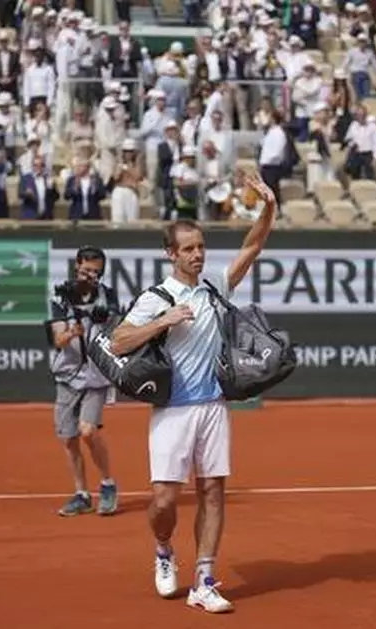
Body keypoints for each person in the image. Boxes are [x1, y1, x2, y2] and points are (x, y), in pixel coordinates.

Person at [109, 170, 278, 614]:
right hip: (172, 411)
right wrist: (163, 321)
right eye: (189, 249)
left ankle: (204, 578)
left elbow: (253, 248)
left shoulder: (214, 287)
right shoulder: (157, 296)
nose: (198, 255)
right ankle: (164, 549)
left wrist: (269, 207)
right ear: (171, 254)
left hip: (213, 407)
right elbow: (118, 341)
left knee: (213, 492)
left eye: (201, 247)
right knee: (164, 500)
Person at [46, 246, 122, 517]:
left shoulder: (108, 294)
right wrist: (71, 332)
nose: (91, 275)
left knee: (88, 431)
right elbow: (57, 339)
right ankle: (81, 494)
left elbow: (116, 328)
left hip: (96, 376)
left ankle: (108, 484)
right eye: (86, 270)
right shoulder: (60, 295)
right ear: (77, 266)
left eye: (96, 272)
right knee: (69, 439)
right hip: (66, 374)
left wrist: (101, 317)